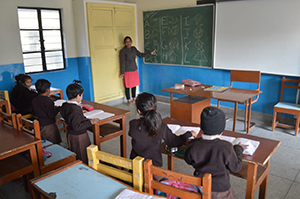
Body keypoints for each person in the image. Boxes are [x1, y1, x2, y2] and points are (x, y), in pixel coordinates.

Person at [184, 106, 245, 199]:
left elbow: (188, 160)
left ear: (201, 127)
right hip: (220, 190)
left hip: (200, 186)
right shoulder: (226, 147)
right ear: (222, 130)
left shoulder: (193, 144)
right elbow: (235, 167)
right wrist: (238, 149)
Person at [129, 92, 197, 168]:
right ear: (155, 107)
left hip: (135, 166)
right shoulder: (161, 126)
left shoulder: (133, 124)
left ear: (139, 111)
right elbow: (174, 142)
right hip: (153, 168)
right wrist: (189, 134)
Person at [60, 82, 100, 164]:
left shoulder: (65, 104)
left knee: (75, 152)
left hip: (70, 134)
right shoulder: (75, 109)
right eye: (81, 95)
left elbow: (68, 115)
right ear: (78, 96)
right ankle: (84, 166)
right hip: (79, 135)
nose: (81, 97)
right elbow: (77, 126)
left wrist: (80, 113)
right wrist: (91, 122)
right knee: (82, 154)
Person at [119, 36, 156, 106]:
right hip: (127, 71)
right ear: (124, 43)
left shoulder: (133, 49)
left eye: (129, 41)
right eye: (127, 42)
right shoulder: (123, 51)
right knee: (127, 86)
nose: (128, 43)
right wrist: (122, 72)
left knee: (134, 85)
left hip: (134, 69)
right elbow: (122, 62)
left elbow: (140, 55)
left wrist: (150, 53)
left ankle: (134, 98)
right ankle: (128, 100)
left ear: (131, 42)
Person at [32, 79, 62, 144]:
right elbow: (52, 114)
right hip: (49, 125)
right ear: (47, 90)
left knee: (45, 142)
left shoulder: (35, 99)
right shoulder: (48, 101)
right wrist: (58, 109)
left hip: (40, 123)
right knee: (53, 142)